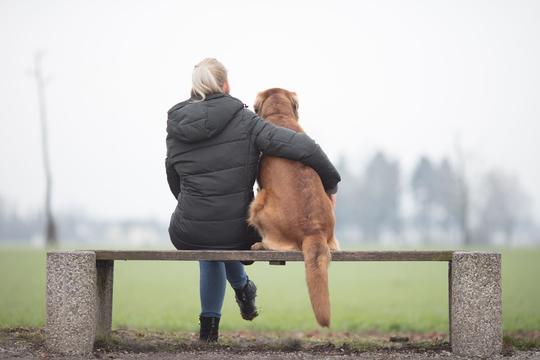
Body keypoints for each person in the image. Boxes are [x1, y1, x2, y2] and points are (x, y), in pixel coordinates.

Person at [165, 58, 341, 342]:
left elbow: (172, 175)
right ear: (226, 85)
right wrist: (331, 183)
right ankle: (243, 287)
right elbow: (302, 146)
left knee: (208, 245)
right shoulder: (246, 120)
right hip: (236, 229)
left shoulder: (176, 123)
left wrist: (192, 206)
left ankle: (209, 332)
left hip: (187, 228)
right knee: (220, 238)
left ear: (193, 88)